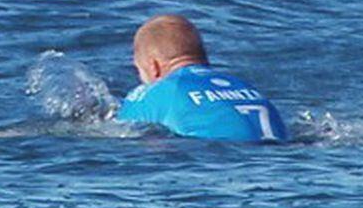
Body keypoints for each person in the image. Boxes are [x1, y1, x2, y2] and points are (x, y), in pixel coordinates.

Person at [116, 14, 289, 142]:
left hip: (219, 159)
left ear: (154, 67)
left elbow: (120, 131)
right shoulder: (243, 86)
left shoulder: (158, 91)